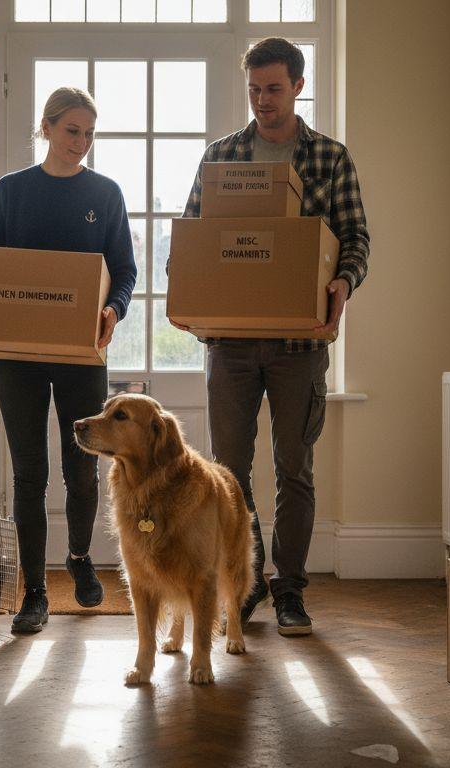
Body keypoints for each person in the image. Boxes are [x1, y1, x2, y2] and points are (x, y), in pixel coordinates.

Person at [177, 38, 369, 637]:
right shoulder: (222, 156)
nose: (263, 100)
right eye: (255, 90)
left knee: (295, 469)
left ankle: (290, 590)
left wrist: (340, 284)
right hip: (230, 346)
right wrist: (184, 291)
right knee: (230, 473)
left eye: (274, 89)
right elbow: (192, 238)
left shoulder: (329, 159)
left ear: (298, 85)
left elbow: (356, 241)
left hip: (300, 347)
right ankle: (248, 580)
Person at [0, 87, 137, 633]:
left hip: (83, 355)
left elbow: (125, 270)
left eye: (88, 133)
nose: (80, 143)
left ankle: (79, 559)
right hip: (18, 359)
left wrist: (114, 308)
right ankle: (36, 593)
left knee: (81, 471)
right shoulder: (12, 191)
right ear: (47, 127)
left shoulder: (105, 194)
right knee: (29, 475)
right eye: (71, 131)